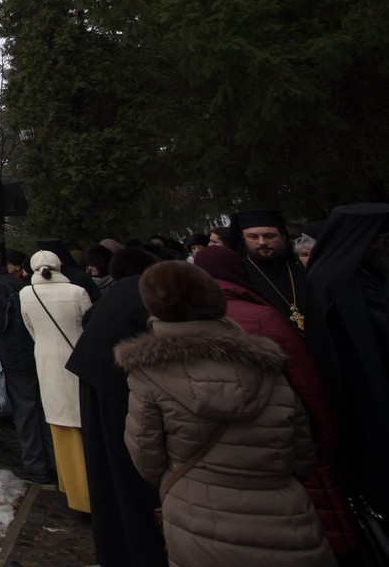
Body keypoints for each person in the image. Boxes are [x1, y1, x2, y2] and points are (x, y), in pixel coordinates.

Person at [116, 261, 333, 567]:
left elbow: (145, 455)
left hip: (196, 515)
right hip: (286, 518)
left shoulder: (149, 374)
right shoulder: (266, 365)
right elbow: (301, 451)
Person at [193, 244, 355, 557]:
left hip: (220, 455)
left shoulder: (177, 323)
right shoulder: (261, 315)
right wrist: (328, 435)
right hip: (285, 438)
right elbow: (308, 382)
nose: (262, 242)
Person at [65, 246, 166, 567]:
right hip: (121, 392)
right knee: (133, 481)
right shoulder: (144, 293)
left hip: (96, 384)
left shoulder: (117, 293)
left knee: (108, 478)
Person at [304, 203, 389, 532]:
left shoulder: (357, 271)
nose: (383, 248)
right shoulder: (337, 280)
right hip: (367, 395)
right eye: (380, 241)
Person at [21, 249, 93, 514]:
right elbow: (89, 327)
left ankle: (71, 488)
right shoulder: (77, 292)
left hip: (47, 362)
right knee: (84, 422)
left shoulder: (26, 294)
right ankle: (91, 491)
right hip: (78, 360)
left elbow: (31, 329)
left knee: (60, 424)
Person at [0, 249, 55, 485]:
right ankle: (53, 463)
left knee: (25, 412)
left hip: (14, 354)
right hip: (34, 351)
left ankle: (35, 465)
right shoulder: (19, 282)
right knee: (40, 410)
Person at [232, 209, 311, 334]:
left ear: (282, 236)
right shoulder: (239, 274)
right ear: (243, 239)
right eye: (253, 237)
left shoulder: (299, 268)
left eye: (269, 236)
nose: (262, 242)